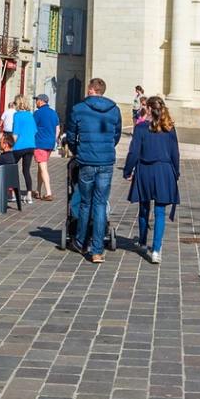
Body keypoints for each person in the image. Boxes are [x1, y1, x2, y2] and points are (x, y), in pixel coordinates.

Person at [68, 78, 123, 264]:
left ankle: (80, 240)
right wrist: (107, 148)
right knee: (100, 203)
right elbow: (116, 134)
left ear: (91, 90)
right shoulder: (114, 109)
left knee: (85, 202)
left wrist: (78, 151)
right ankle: (97, 250)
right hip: (106, 161)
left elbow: (71, 135)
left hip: (86, 160)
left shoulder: (79, 108)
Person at [124, 96, 181, 264]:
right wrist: (175, 172)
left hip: (145, 170)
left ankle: (142, 241)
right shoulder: (170, 128)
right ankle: (156, 249)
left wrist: (128, 170)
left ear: (148, 109)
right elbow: (175, 153)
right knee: (160, 212)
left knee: (144, 207)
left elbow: (133, 152)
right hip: (164, 170)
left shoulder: (141, 128)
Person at [32, 94, 60, 201]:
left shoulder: (37, 113)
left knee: (43, 167)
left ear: (41, 101)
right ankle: (38, 190)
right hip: (50, 143)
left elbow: (32, 128)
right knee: (41, 166)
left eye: (37, 100)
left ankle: (48, 192)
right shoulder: (53, 113)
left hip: (40, 143)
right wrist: (54, 139)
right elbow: (57, 128)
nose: (36, 102)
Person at [8, 96, 37, 194]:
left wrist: (13, 144)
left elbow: (15, 133)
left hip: (20, 145)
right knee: (26, 170)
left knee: (11, 167)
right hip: (31, 145)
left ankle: (11, 191)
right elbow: (34, 131)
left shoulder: (17, 115)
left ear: (18, 104)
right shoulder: (30, 115)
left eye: (15, 104)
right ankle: (29, 193)